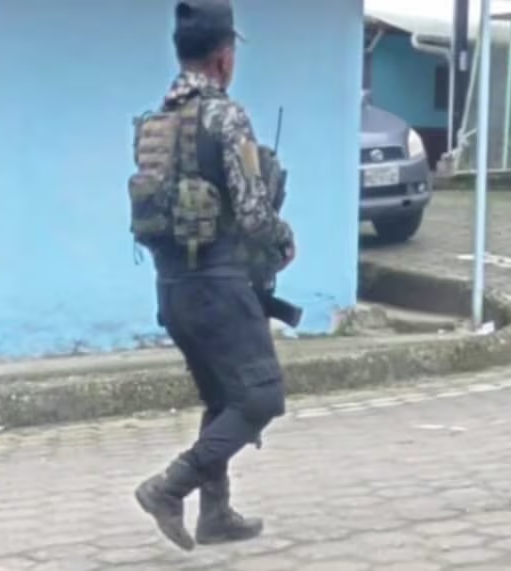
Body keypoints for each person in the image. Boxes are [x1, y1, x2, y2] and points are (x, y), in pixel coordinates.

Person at [130, 0, 296, 552]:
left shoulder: (157, 123)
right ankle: (169, 488)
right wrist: (283, 239)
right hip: (218, 287)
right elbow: (252, 214)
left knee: (225, 398)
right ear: (224, 58)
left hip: (173, 289)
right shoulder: (226, 117)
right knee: (261, 397)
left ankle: (216, 514)